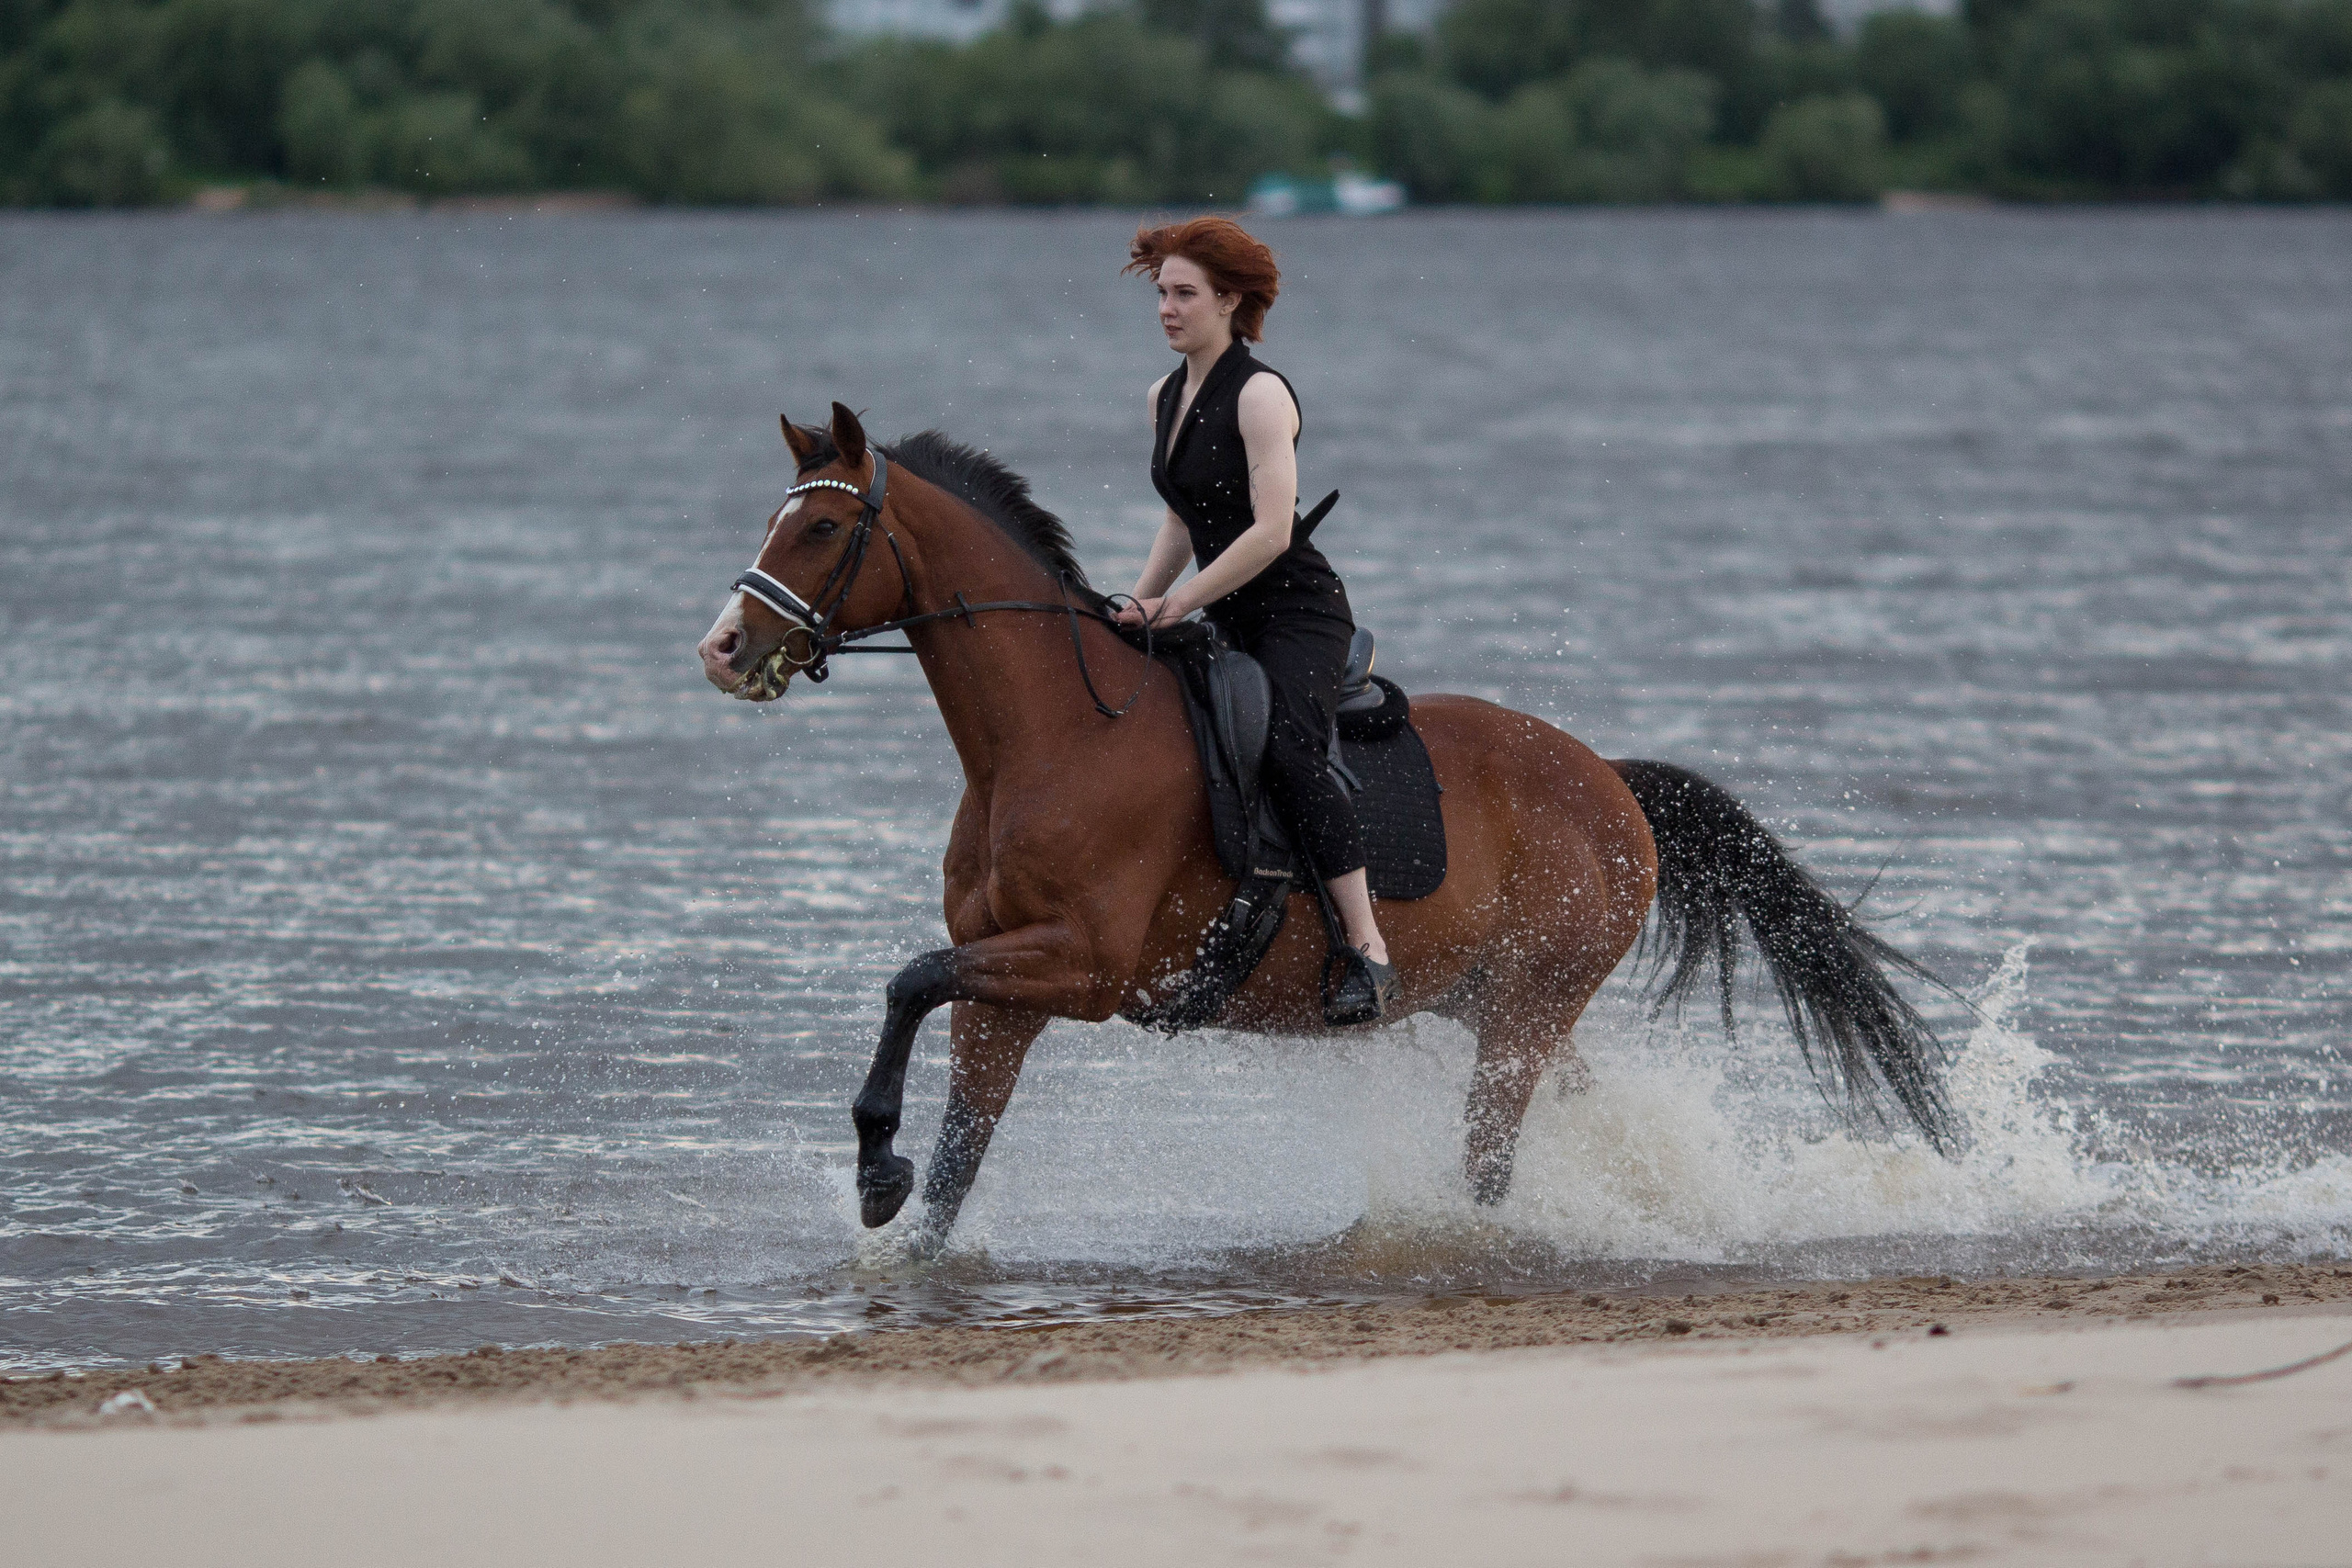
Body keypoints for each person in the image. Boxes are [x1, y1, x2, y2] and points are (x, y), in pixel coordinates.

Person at [1113, 217, 1398, 1025]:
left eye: (1184, 294)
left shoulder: (1262, 393)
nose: (1166, 309)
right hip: (1222, 611)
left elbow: (1272, 531)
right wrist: (1142, 598)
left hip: (1297, 615)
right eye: (1162, 293)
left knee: (1286, 748)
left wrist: (1183, 603)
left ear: (1230, 300)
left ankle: (1368, 949)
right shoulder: (1163, 396)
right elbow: (1183, 518)